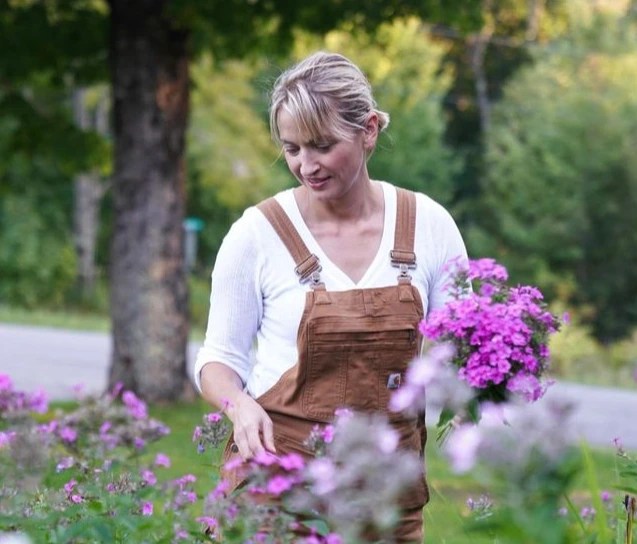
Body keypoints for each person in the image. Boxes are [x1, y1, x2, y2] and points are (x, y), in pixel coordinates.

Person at [194, 51, 468, 542]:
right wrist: (239, 405)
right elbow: (217, 360)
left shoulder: (428, 225)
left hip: (387, 497)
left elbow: (459, 350)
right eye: (293, 148)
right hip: (279, 487)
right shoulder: (257, 234)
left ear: (368, 130)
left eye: (322, 145)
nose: (306, 165)